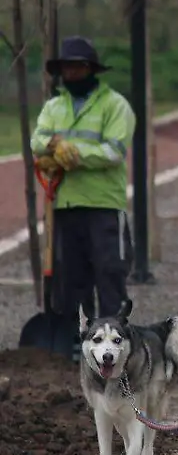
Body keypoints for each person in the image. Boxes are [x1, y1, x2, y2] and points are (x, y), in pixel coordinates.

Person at [31, 36, 135, 322]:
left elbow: (114, 151)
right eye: (67, 68)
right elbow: (36, 140)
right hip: (64, 204)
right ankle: (77, 345)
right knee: (72, 279)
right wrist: (53, 145)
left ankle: (115, 341)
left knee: (109, 273)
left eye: (77, 67)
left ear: (91, 69)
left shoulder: (115, 106)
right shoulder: (54, 107)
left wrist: (74, 153)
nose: (71, 73)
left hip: (103, 205)